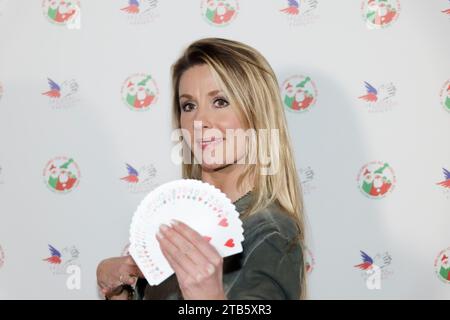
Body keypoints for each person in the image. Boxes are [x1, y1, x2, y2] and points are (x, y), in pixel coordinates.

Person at [97, 37, 307, 300]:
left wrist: (208, 298)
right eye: (189, 106)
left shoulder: (271, 234)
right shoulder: (177, 219)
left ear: (257, 112)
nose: (199, 121)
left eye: (220, 101)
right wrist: (119, 293)